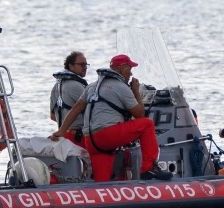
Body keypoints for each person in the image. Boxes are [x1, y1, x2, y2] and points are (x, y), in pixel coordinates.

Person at [50, 54, 171, 182]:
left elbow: (76, 108)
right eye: (129, 70)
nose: (130, 74)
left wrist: (61, 131)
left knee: (101, 183)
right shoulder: (121, 87)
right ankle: (148, 168)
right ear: (122, 69)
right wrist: (136, 91)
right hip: (107, 136)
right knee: (147, 124)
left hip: (91, 140)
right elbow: (140, 114)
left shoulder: (92, 86)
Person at [49, 51, 89, 145]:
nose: (85, 68)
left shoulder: (56, 86)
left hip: (63, 137)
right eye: (81, 64)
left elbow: (53, 116)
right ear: (71, 66)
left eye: (86, 65)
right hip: (77, 138)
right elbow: (95, 110)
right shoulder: (76, 86)